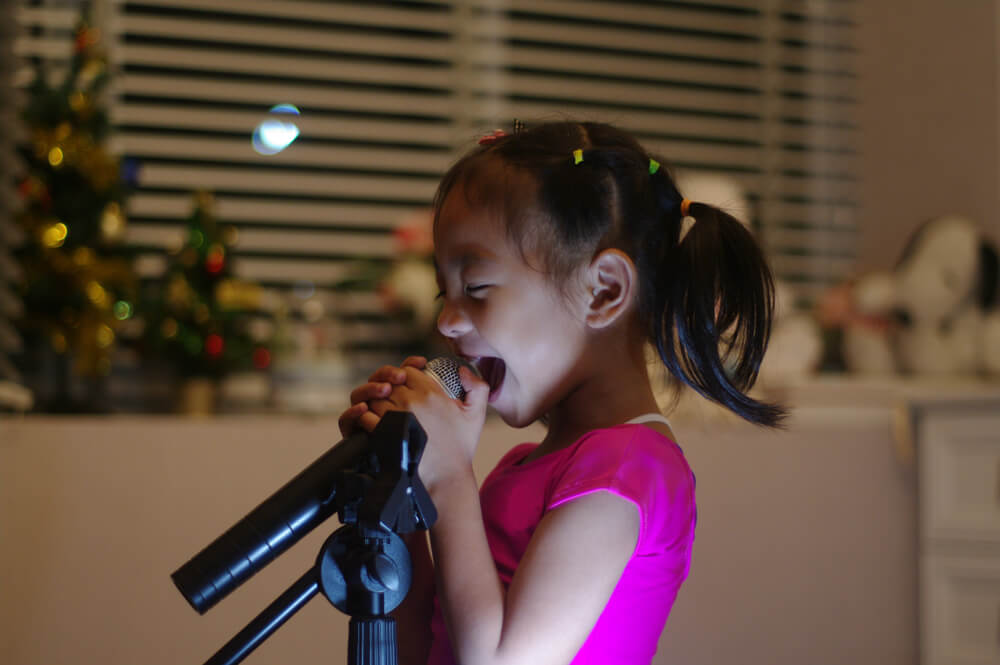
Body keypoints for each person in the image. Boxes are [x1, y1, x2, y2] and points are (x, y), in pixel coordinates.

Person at [338, 120, 786, 665]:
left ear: (604, 291)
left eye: (475, 288)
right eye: (444, 290)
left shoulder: (628, 470)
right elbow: (429, 650)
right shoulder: (525, 465)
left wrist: (450, 474)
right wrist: (400, 483)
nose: (448, 321)